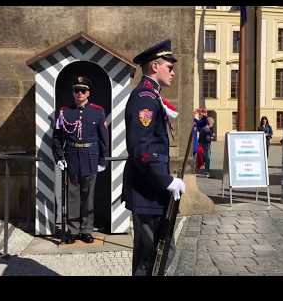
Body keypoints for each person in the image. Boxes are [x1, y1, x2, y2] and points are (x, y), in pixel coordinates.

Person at [121, 39, 185, 276]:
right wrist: (165, 180)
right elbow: (141, 148)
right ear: (154, 66)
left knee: (161, 251)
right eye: (170, 67)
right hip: (148, 188)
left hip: (152, 188)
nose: (173, 72)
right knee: (150, 257)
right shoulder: (145, 98)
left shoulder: (153, 97)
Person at [52, 76, 109, 244]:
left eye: (83, 90)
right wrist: (59, 157)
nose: (79, 93)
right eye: (76, 90)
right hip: (71, 157)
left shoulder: (97, 111)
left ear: (88, 93)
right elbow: (57, 137)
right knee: (72, 196)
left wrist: (102, 160)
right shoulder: (64, 112)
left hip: (90, 158)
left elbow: (103, 138)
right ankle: (73, 230)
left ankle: (86, 230)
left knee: (88, 197)